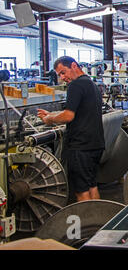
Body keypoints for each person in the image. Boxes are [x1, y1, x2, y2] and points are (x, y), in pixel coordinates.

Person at [37, 56, 105, 202]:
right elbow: (80, 111)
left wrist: (49, 119)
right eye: (59, 75)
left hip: (80, 147)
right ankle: (99, 221)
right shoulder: (91, 84)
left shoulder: (75, 85)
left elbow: (68, 115)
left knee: (81, 192)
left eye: (63, 72)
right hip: (95, 145)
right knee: (92, 187)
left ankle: (87, 224)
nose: (62, 78)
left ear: (74, 65)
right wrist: (52, 114)